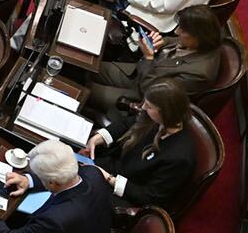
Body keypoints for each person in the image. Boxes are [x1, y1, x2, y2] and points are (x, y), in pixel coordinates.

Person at [84, 80, 197, 208]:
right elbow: (126, 124)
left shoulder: (179, 158)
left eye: (149, 106)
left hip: (122, 193)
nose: (143, 107)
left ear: (166, 112)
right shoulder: (154, 118)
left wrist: (108, 178)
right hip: (110, 166)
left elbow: (149, 196)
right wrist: (98, 138)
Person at [87, 5, 223, 110]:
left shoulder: (199, 74)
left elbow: (153, 94)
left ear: (197, 36)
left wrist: (148, 58)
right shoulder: (197, 41)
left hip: (142, 96)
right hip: (137, 74)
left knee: (86, 90)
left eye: (182, 30)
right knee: (88, 68)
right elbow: (172, 41)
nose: (177, 32)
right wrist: (161, 42)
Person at [0, 140, 113, 233]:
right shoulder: (93, 172)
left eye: (39, 176)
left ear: (52, 182)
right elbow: (63, 173)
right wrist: (28, 180)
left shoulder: (54, 221)